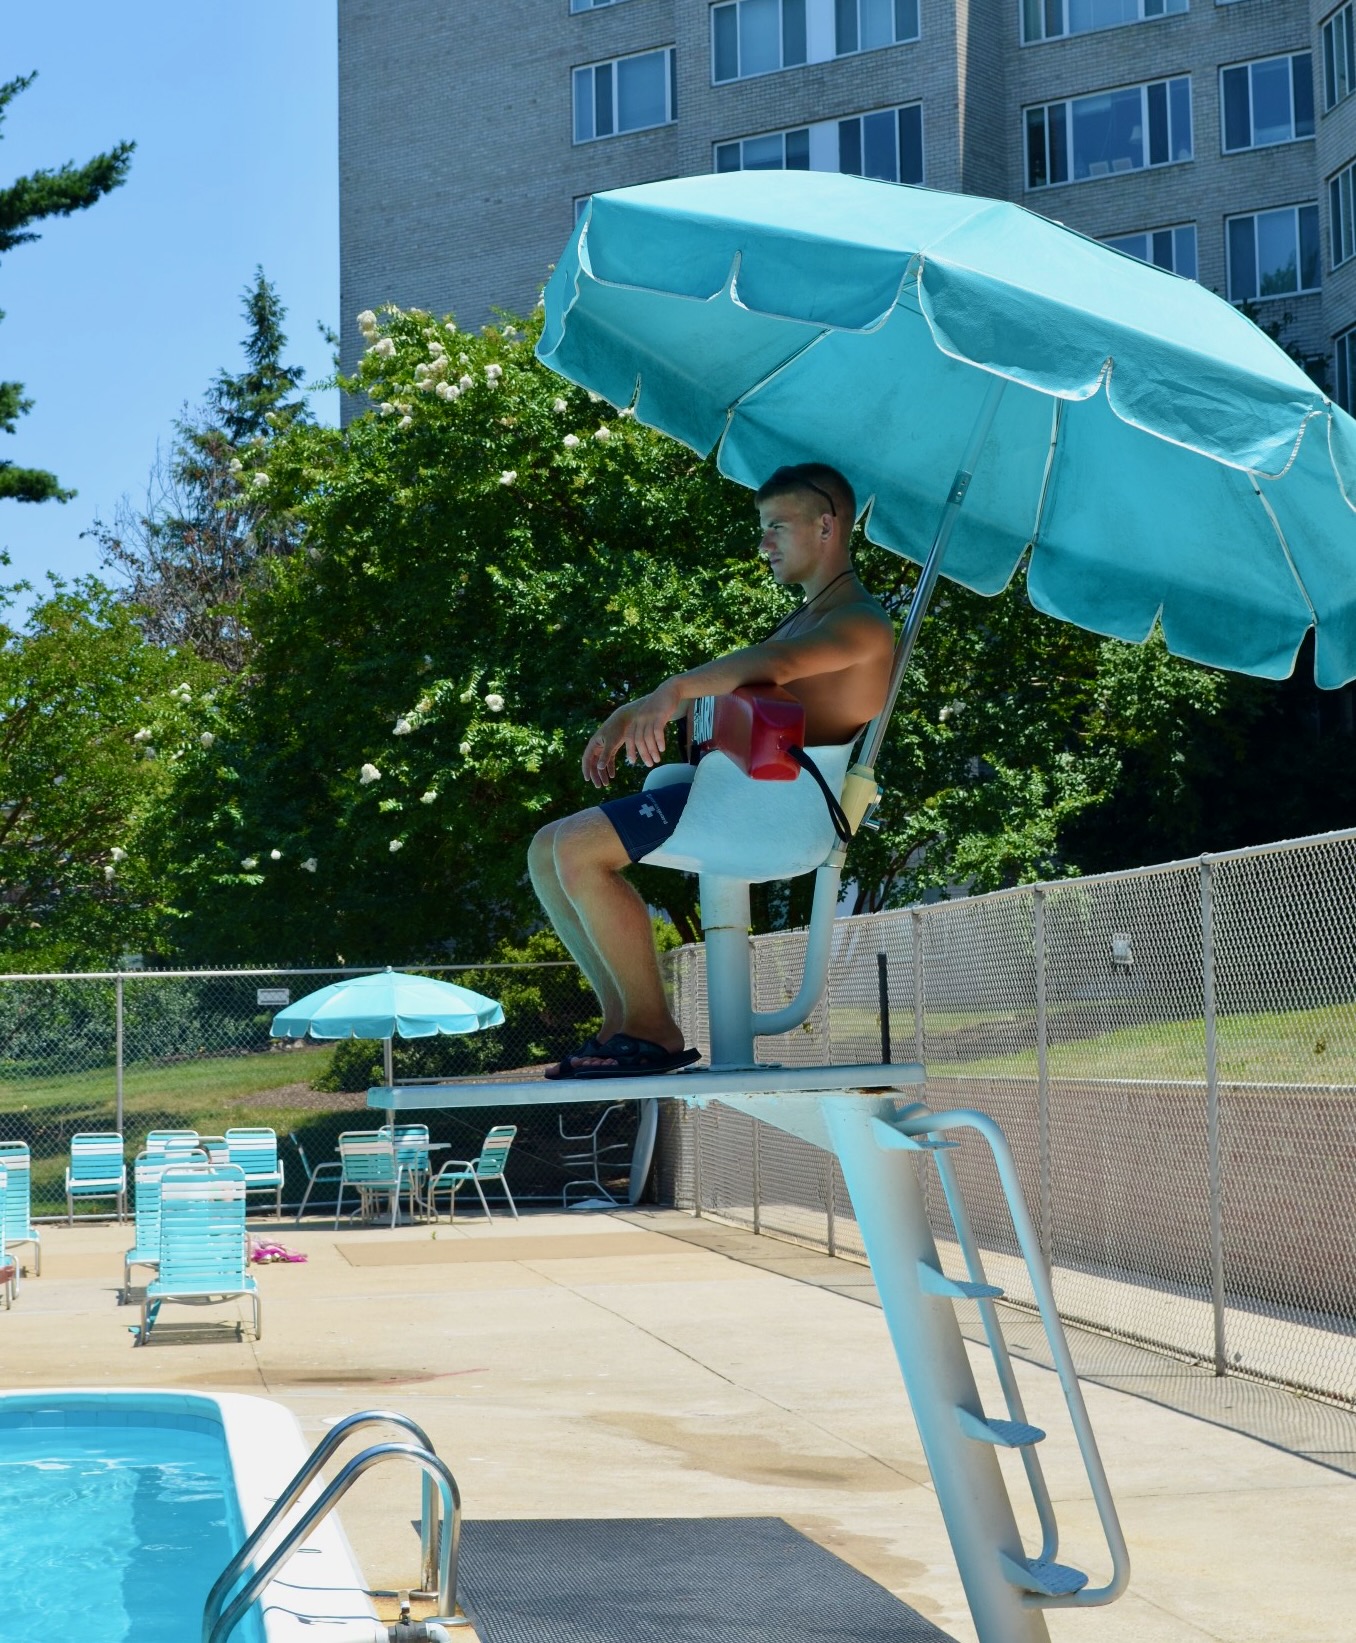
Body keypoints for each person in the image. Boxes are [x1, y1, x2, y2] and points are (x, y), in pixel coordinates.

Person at [529, 462, 895, 1078]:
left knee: (577, 849)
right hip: (740, 802)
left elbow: (775, 663)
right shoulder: (811, 614)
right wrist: (637, 706)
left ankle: (652, 1030)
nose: (764, 544)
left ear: (827, 526)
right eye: (762, 528)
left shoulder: (859, 621)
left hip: (776, 815)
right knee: (547, 850)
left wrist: (671, 691)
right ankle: (621, 1026)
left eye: (778, 526)